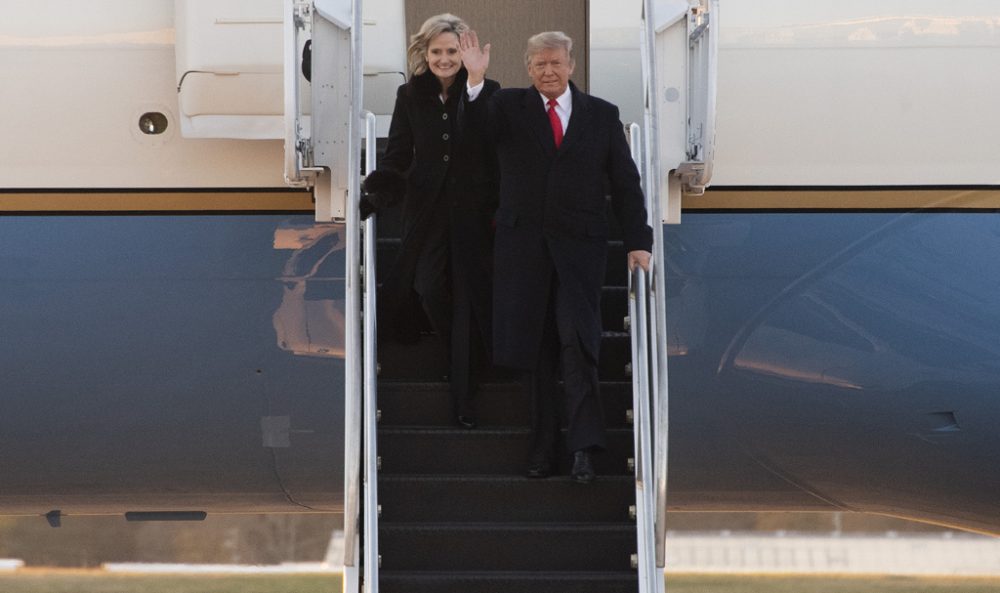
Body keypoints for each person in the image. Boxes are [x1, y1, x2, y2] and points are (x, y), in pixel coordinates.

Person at [460, 30, 652, 482]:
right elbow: (474, 135)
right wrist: (475, 79)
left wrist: (637, 240)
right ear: (528, 68)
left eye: (556, 63)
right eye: (540, 64)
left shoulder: (601, 115)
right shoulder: (506, 107)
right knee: (536, 352)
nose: (548, 71)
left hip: (579, 252)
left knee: (577, 343)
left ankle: (584, 447)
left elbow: (625, 184)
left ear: (571, 65)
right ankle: (543, 450)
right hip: (523, 252)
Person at [363, 14, 500, 428]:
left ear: (466, 54)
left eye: (452, 51)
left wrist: (475, 82)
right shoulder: (410, 95)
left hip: (474, 213)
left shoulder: (485, 90)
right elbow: (399, 156)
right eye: (437, 51)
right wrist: (378, 194)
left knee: (470, 297)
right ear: (424, 53)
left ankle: (464, 390)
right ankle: (465, 357)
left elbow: (487, 143)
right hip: (426, 213)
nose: (444, 59)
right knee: (428, 287)